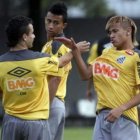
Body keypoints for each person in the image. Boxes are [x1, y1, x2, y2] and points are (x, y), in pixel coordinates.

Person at [0, 15, 89, 140]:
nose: (34, 36)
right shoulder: (39, 59)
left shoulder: (1, 63)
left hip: (10, 122)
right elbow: (61, 61)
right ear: (24, 37)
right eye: (32, 33)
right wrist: (74, 49)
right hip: (36, 123)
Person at [54, 16, 140, 140]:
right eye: (109, 32)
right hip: (101, 118)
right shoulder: (106, 53)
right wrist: (75, 51)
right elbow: (85, 75)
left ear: (128, 31)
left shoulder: (136, 56)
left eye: (115, 31)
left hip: (124, 118)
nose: (111, 35)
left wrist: (121, 108)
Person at [41, 2, 88, 140]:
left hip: (51, 100)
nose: (50, 26)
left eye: (56, 23)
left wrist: (45, 106)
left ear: (64, 25)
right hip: (56, 103)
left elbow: (55, 78)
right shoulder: (50, 44)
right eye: (48, 21)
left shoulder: (57, 45)